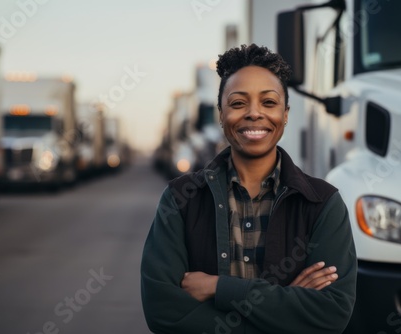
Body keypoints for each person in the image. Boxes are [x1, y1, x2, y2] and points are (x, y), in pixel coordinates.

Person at [141, 44, 357, 334]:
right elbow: (163, 313)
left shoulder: (322, 203)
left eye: (268, 103)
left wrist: (219, 288)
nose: (254, 114)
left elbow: (331, 314)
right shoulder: (180, 199)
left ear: (286, 113)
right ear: (221, 114)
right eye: (238, 103)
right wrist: (285, 310)